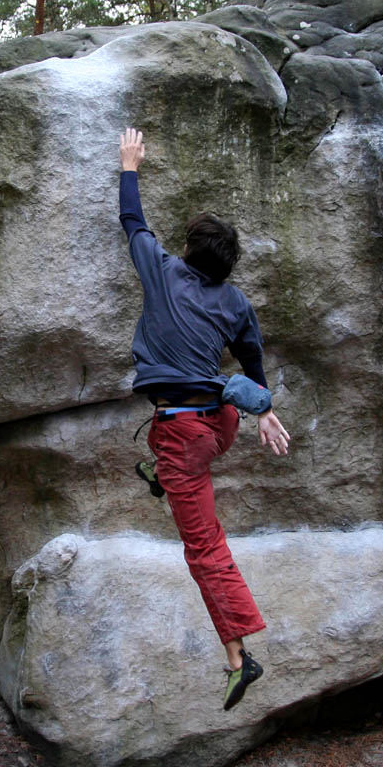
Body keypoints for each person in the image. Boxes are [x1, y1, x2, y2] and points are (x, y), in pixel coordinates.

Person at [118, 127, 291, 711]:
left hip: (186, 430)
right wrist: (264, 411)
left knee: (205, 549)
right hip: (220, 422)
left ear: (190, 250)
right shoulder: (235, 301)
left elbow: (133, 224)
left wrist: (129, 164)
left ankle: (240, 658)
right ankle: (160, 475)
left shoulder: (163, 273)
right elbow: (253, 357)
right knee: (174, 464)